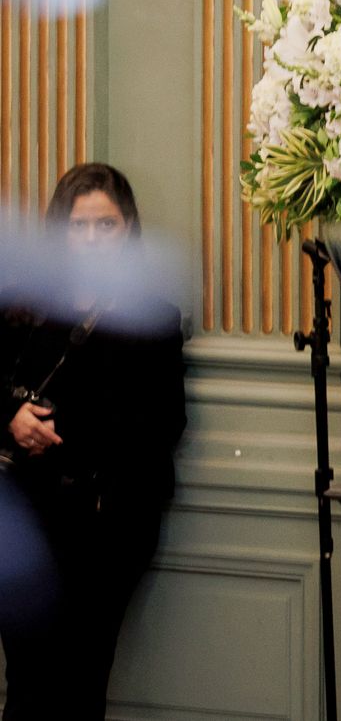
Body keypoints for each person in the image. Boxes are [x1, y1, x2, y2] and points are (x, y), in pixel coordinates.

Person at [0, 164, 186, 721]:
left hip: (105, 521)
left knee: (81, 680)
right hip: (24, 518)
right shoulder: (21, 307)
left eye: (105, 227)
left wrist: (59, 435)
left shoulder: (152, 317)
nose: (90, 239)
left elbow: (161, 425)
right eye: (78, 227)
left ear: (127, 228)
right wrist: (11, 417)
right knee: (27, 680)